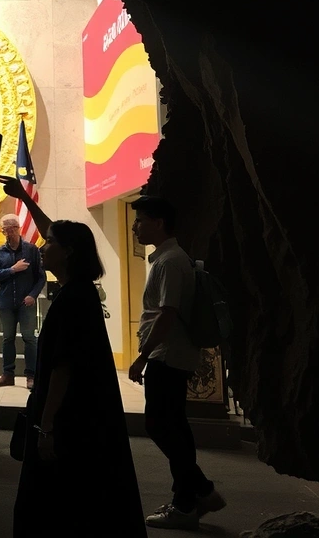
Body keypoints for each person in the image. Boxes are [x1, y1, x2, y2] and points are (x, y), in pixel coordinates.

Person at [15, 220, 146, 538]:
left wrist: (46, 426)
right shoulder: (77, 293)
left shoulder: (73, 299)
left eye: (49, 243)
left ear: (69, 251)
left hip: (69, 419)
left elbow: (63, 368)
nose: (42, 248)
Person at [128, 195, 226, 529]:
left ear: (158, 222)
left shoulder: (169, 261)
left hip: (167, 354)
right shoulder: (169, 258)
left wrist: (142, 356)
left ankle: (196, 494)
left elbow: (167, 314)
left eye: (140, 220)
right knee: (173, 426)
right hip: (171, 353)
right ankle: (189, 498)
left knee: (160, 424)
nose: (135, 226)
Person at [0, 211, 43, 389]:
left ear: (18, 229)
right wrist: (12, 269)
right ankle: (7, 374)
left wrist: (32, 295)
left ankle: (31, 376)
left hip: (25, 302)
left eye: (12, 229)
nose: (9, 233)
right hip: (6, 302)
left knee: (29, 338)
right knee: (7, 339)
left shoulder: (31, 250)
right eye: (5, 230)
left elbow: (41, 277)